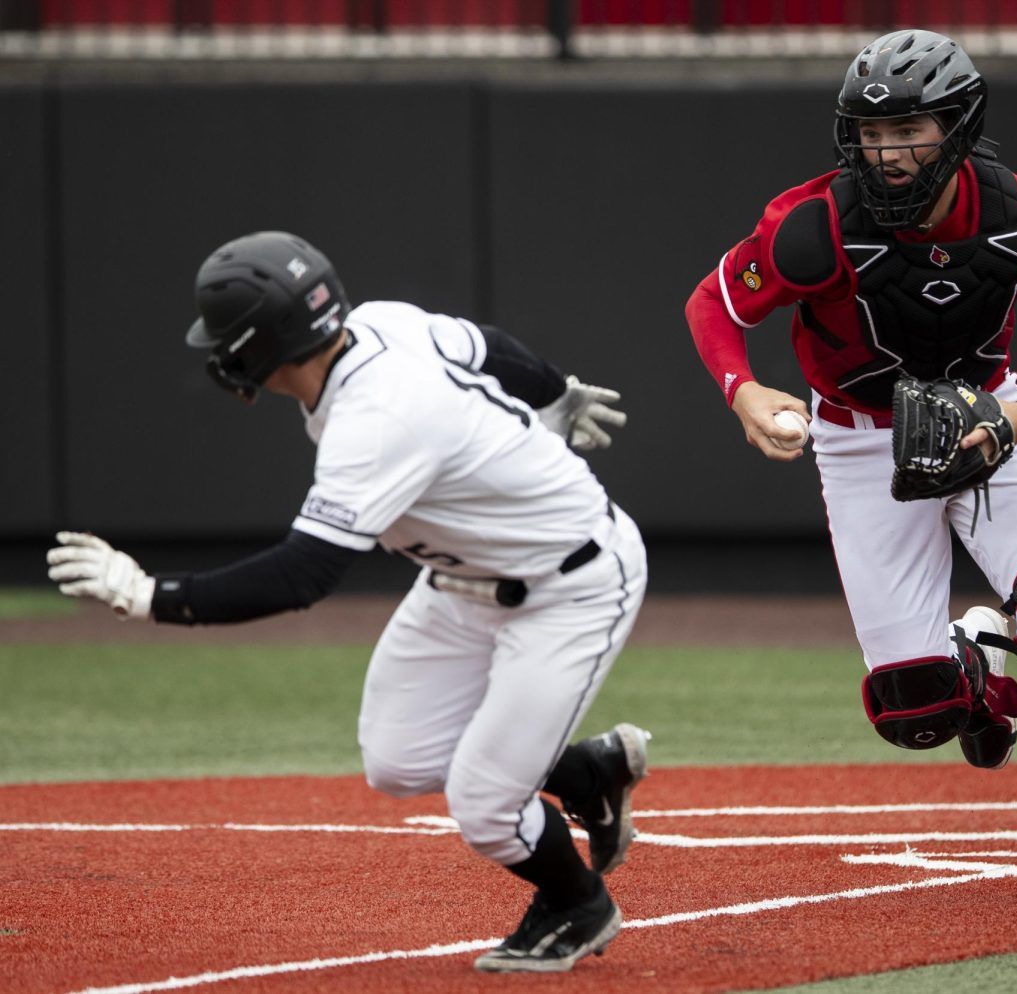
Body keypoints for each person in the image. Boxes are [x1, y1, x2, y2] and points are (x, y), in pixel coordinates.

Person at [47, 230, 651, 971]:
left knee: (487, 807)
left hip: (572, 584)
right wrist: (553, 391)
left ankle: (575, 903)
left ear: (261, 344)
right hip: (463, 578)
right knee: (397, 759)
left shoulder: (375, 419)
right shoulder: (383, 323)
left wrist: (148, 596)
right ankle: (587, 776)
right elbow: (487, 347)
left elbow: (305, 574)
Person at [684, 30, 1017, 902]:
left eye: (908, 130)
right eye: (870, 133)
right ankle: (975, 669)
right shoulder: (814, 224)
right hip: (860, 439)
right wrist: (744, 393)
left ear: (958, 125)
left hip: (990, 420)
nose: (886, 152)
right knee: (913, 714)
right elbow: (713, 304)